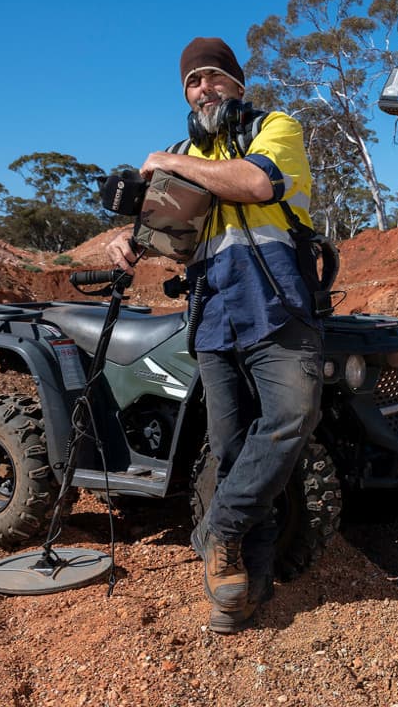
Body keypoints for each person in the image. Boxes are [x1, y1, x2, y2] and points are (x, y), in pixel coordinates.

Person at [107, 37, 322, 634]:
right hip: (214, 315)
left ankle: (218, 531)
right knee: (231, 452)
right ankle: (244, 589)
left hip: (277, 304)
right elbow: (164, 235)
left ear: (237, 84)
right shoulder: (183, 153)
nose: (203, 89)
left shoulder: (273, 128)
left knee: (291, 418)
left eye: (213, 77)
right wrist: (129, 239)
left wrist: (168, 162)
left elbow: (256, 184)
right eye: (192, 83)